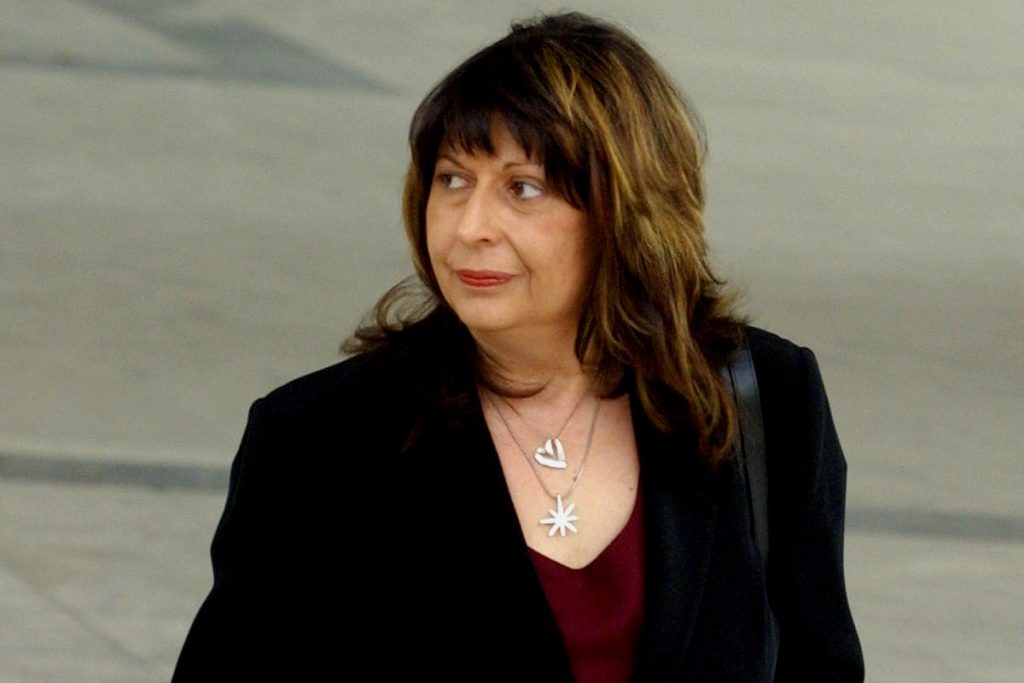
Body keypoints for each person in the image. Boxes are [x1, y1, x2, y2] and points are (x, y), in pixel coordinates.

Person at [173, 12, 864, 682]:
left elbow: (820, 663)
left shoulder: (764, 399)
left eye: (523, 188)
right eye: (452, 180)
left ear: (625, 211)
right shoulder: (320, 437)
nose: (470, 226)